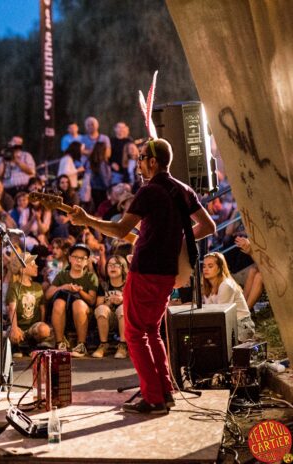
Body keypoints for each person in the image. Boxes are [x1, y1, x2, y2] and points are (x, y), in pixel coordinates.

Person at [68, 138, 216, 415]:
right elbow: (208, 226)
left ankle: (154, 398)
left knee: (135, 334)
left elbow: (120, 230)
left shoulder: (149, 191)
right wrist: (178, 243)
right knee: (151, 331)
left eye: (141, 157)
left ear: (153, 162)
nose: (138, 163)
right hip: (167, 273)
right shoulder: (183, 190)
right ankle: (165, 392)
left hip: (145, 270)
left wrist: (87, 220)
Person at [46, 243, 99, 357]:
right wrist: (63, 287)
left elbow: (92, 300)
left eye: (82, 258)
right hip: (63, 314)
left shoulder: (91, 277)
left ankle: (81, 344)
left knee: (78, 304)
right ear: (70, 259)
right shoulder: (62, 275)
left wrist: (80, 291)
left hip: (84, 315)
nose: (78, 261)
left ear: (87, 261)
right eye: (75, 257)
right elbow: (48, 295)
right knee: (59, 302)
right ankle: (59, 343)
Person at [6, 253, 54, 356]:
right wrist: (14, 328)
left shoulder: (37, 286)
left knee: (44, 329)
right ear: (22, 269)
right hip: (18, 326)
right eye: (32, 264)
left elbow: (42, 308)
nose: (36, 266)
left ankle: (33, 342)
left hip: (32, 328)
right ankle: (16, 345)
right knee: (12, 331)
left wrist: (41, 325)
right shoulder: (14, 287)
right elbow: (12, 309)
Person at [202, 252, 255, 342]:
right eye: (204, 266)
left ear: (220, 268)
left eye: (210, 266)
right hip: (227, 325)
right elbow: (210, 312)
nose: (206, 269)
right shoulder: (208, 287)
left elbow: (222, 316)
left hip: (241, 326)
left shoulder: (226, 285)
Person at [92, 255, 129, 359]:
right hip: (110, 319)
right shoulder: (104, 285)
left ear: (123, 267)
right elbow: (98, 305)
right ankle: (103, 344)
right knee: (101, 309)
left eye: (116, 265)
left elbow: (136, 304)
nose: (112, 267)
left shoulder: (128, 284)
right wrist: (108, 303)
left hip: (127, 319)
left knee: (123, 308)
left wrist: (123, 300)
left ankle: (123, 345)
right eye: (109, 265)